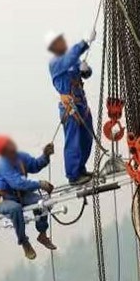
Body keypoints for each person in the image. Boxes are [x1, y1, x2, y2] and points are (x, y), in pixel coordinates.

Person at [0, 134, 57, 260]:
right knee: (15, 209)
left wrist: (45, 156)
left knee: (42, 202)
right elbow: (18, 183)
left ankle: (42, 234)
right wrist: (40, 184)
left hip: (23, 195)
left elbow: (35, 165)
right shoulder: (3, 165)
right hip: (6, 198)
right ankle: (24, 242)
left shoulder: (20, 157)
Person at [46, 30, 96, 186]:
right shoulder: (56, 62)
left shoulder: (72, 60)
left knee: (86, 139)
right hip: (70, 107)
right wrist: (84, 43)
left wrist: (86, 70)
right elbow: (71, 57)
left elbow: (83, 72)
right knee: (73, 141)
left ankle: (80, 169)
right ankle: (73, 175)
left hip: (81, 104)